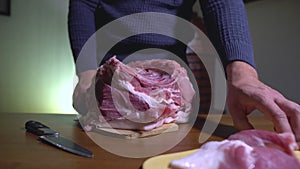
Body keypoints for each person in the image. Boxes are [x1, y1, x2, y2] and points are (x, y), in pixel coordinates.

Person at [68, 0, 300, 142]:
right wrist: (87, 75)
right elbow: (84, 3)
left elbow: (221, 2)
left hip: (171, 85)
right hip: (109, 79)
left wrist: (244, 76)